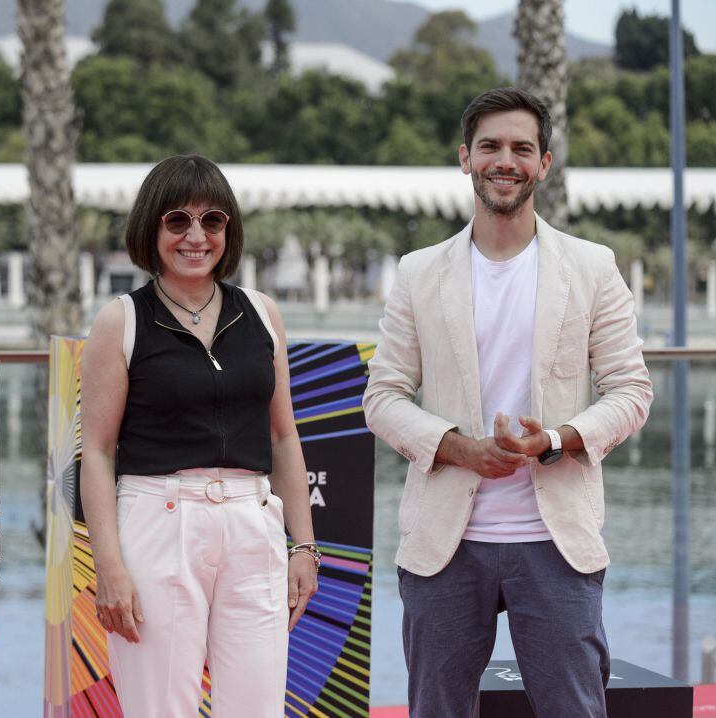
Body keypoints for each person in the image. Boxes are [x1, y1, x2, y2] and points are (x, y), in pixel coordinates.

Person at [364, 87, 653, 717]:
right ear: (464, 157)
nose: (506, 160)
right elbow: (382, 397)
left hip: (557, 542)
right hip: (445, 542)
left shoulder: (592, 267)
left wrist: (552, 440)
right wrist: (459, 448)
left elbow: (631, 390)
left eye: (523, 148)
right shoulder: (418, 273)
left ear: (544, 163)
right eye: (490, 146)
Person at [80, 154, 319, 717]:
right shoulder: (121, 320)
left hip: (252, 522)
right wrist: (108, 566)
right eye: (177, 221)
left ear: (228, 230)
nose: (196, 235)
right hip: (155, 524)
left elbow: (283, 437)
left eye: (212, 220)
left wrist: (304, 545)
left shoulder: (262, 313)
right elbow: (97, 451)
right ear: (151, 228)